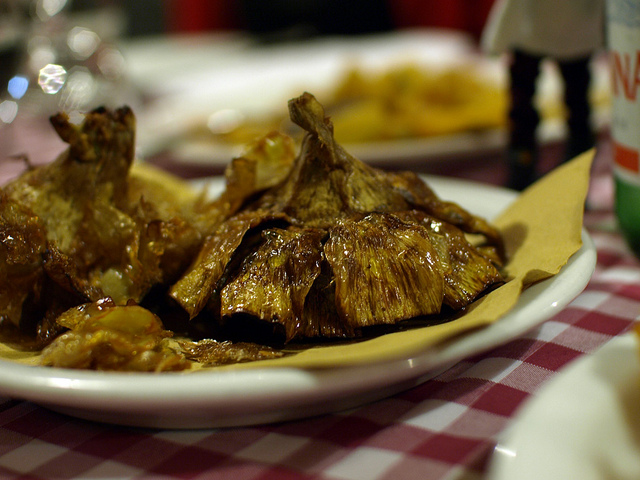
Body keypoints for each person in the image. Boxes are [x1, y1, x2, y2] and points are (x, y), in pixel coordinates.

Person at [481, 0, 604, 190]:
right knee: (526, 111)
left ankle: (575, 175)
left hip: (567, 38)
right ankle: (523, 169)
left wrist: (496, 42)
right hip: (543, 37)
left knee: (577, 111)